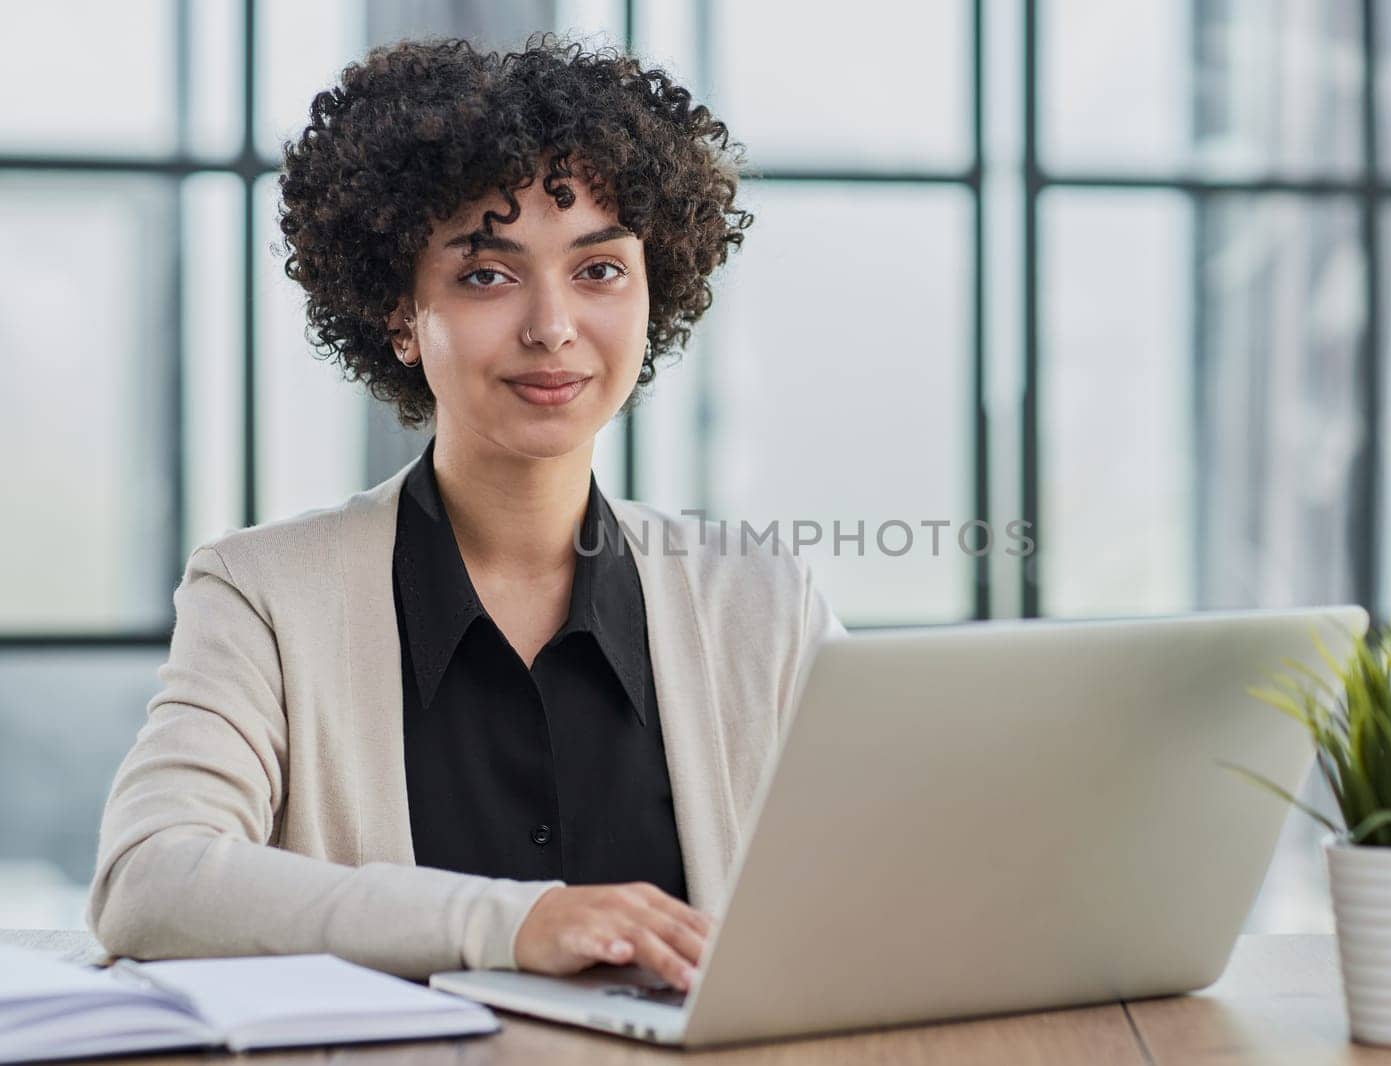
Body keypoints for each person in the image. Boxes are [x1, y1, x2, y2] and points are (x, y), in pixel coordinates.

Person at [87, 31, 845, 992]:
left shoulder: (763, 600)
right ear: (401, 315)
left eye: (599, 269)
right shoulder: (265, 595)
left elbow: (893, 886)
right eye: (487, 273)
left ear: (658, 291)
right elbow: (147, 883)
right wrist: (515, 921)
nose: (552, 325)